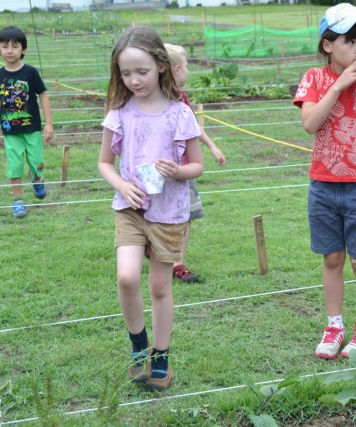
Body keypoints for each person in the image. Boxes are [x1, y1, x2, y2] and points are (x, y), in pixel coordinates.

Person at [98, 26, 203, 391]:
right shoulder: (119, 112)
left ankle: (161, 357)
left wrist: (178, 171)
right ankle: (138, 346)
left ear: (161, 65)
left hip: (169, 211)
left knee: (160, 287)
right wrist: (122, 185)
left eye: (141, 72)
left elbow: (197, 166)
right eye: (125, 73)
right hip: (129, 208)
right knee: (126, 277)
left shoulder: (180, 114)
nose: (133, 80)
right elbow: (104, 164)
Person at [293, 3, 356, 360]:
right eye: (351, 41)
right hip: (323, 185)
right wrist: (338, 86)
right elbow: (310, 123)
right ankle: (334, 326)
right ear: (328, 45)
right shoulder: (314, 79)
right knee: (332, 257)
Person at [164, 43, 227, 283]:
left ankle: (176, 262)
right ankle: (173, 260)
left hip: (184, 170)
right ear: (177, 69)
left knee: (185, 215)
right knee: (177, 215)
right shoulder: (155, 101)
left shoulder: (182, 99)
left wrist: (211, 146)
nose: (188, 70)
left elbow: (193, 128)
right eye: (187, 66)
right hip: (170, 171)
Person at [0, 26, 53, 219]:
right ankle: (18, 201)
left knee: (37, 162)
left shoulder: (30, 73)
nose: (10, 50)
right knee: (14, 165)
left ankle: (37, 178)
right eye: (5, 46)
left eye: (15, 46)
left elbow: (43, 96)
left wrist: (49, 123)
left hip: (32, 129)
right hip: (10, 131)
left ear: (23, 49)